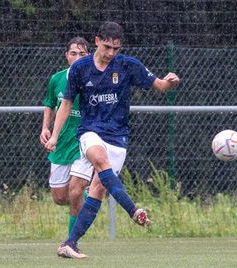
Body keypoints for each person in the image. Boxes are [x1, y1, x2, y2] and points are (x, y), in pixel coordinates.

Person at [45, 21, 180, 259]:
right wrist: (54, 135)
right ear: (97, 41)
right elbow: (65, 104)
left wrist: (170, 82)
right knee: (99, 160)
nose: (111, 53)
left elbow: (159, 85)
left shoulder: (128, 65)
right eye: (107, 47)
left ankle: (70, 243)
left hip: (118, 136)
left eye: (116, 49)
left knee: (98, 188)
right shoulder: (80, 68)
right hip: (90, 131)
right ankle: (133, 210)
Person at [40, 37, 92, 237]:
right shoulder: (57, 79)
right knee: (60, 197)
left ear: (88, 56)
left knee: (75, 191)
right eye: (73, 53)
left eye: (82, 54)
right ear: (66, 56)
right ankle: (88, 199)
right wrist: (46, 127)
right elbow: (50, 104)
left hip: (83, 142)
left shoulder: (95, 80)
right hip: (61, 142)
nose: (77, 57)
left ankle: (71, 242)